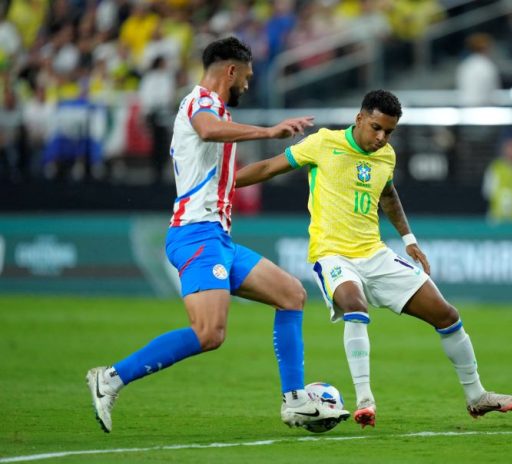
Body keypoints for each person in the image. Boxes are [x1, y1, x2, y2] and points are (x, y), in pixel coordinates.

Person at [86, 36, 349, 434]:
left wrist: (297, 157)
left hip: (218, 239)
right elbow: (209, 131)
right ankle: (110, 378)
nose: (249, 82)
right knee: (210, 333)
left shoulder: (219, 112)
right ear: (231, 71)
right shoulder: (201, 103)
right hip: (195, 236)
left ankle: (295, 400)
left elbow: (231, 176)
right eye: (247, 75)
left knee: (290, 294)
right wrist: (268, 132)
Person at [234, 89, 512, 428]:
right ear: (359, 118)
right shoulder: (323, 143)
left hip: (375, 253)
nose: (382, 137)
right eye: (376, 128)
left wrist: (409, 239)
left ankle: (477, 396)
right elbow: (269, 167)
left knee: (447, 315)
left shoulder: (386, 156)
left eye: (389, 132)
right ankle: (365, 399)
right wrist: (222, 186)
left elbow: (388, 193)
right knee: (355, 305)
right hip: (333, 254)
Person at [455, 33, 501, 106]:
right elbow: (492, 92)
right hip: (482, 108)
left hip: (465, 107)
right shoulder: (487, 66)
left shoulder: (465, 65)